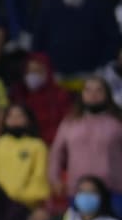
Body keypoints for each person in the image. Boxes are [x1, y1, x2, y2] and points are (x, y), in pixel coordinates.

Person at [31, 0, 121, 83]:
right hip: (56, 77)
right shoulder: (49, 5)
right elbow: (38, 40)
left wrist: (101, 68)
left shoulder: (100, 4)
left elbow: (112, 39)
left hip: (92, 76)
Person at [49, 77, 122, 207]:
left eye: (99, 90)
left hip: (113, 190)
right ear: (82, 95)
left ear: (107, 94)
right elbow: (56, 153)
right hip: (78, 191)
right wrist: (54, 179)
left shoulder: (117, 122)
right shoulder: (70, 122)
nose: (93, 94)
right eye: (88, 90)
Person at [0, 92, 50, 212]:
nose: (14, 120)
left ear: (28, 120)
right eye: (10, 116)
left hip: (25, 205)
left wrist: (21, 197)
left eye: (19, 116)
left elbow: (40, 177)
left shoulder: (37, 146)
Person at [10, 54, 71, 147]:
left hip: (53, 145)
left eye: (37, 71)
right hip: (22, 147)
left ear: (47, 71)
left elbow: (67, 124)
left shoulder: (60, 95)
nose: (32, 75)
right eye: (29, 71)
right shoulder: (18, 94)